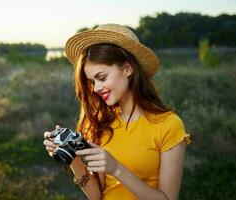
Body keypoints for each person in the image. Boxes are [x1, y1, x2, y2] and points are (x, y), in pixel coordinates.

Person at [43, 23, 191, 200]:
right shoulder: (101, 121)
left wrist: (117, 169)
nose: (96, 88)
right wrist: (71, 156)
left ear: (128, 69)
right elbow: (97, 195)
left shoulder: (168, 125)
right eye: (92, 81)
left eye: (102, 77)